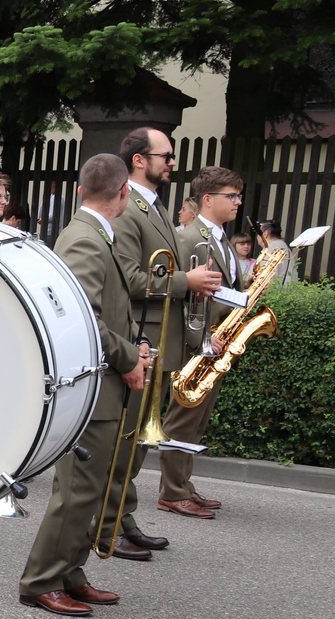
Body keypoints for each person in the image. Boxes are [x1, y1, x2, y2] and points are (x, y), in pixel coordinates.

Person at [19, 155, 145, 617]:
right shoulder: (87, 239)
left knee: (88, 490)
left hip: (102, 381)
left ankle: (70, 573)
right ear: (124, 192)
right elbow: (83, 318)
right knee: (77, 491)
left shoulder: (92, 233)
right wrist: (128, 357)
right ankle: (41, 580)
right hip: (95, 383)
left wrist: (134, 344)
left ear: (79, 190)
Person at [107, 127, 222, 560]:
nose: (172, 163)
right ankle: (108, 525)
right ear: (139, 160)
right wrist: (185, 281)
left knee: (137, 443)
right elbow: (130, 279)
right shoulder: (128, 208)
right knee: (125, 441)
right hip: (142, 339)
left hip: (160, 339)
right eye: (166, 156)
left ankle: (124, 517)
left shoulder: (151, 205)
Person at [162, 167, 245, 519]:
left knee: (198, 418)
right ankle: (171, 492)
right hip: (196, 341)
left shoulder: (222, 238)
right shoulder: (188, 238)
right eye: (231, 196)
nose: (238, 202)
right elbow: (177, 294)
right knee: (183, 417)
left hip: (217, 340)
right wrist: (203, 336)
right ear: (208, 199)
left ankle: (184, 485)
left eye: (239, 196)